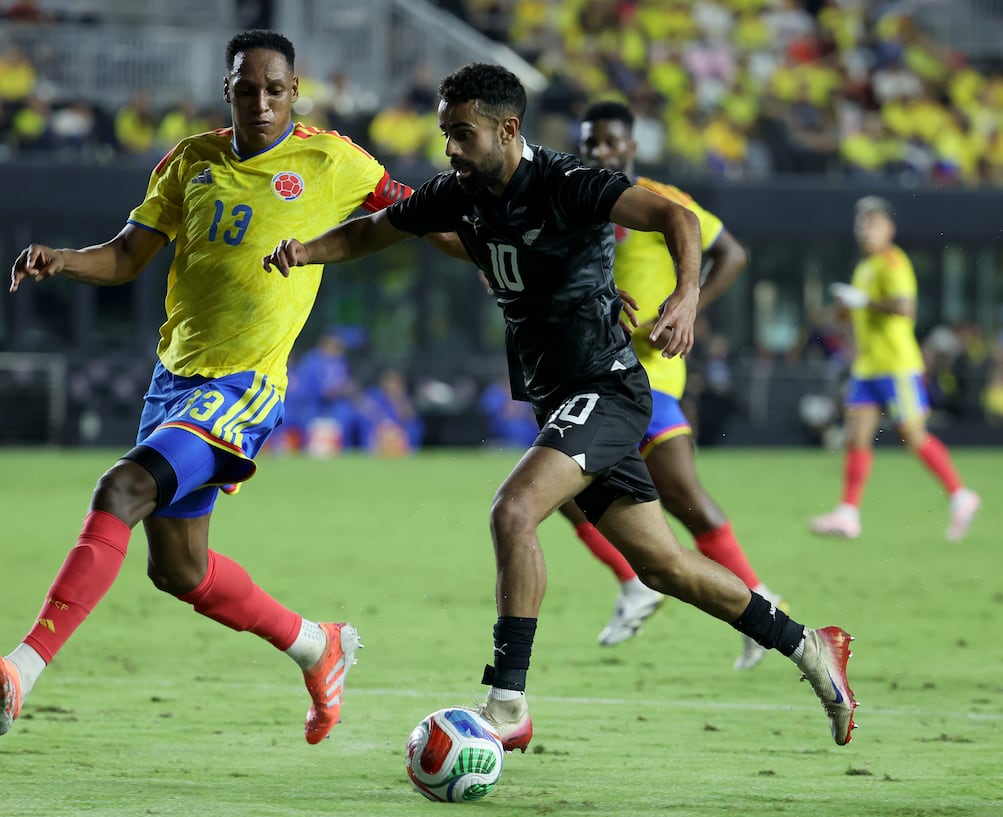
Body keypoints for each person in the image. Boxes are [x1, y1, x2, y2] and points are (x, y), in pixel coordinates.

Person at [263, 63, 858, 750]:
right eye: (445, 133)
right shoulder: (459, 194)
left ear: (507, 129)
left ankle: (507, 702)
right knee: (664, 567)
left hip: (606, 388)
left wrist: (687, 295)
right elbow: (375, 230)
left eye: (462, 133)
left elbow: (676, 217)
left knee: (513, 510)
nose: (450, 149)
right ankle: (810, 646)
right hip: (562, 396)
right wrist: (306, 251)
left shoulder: (568, 181)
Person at [0, 30, 428, 746]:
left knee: (121, 488)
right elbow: (127, 256)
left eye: (275, 90)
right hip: (173, 381)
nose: (262, 103)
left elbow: (417, 212)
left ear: (295, 92)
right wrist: (64, 259)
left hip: (245, 384)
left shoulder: (333, 159)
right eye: (248, 89)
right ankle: (317, 645)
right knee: (179, 569)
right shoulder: (189, 161)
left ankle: (22, 672)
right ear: (227, 91)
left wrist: (490, 246)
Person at [563, 100, 786, 670]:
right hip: (596, 373)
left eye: (611, 142)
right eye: (591, 143)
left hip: (650, 375)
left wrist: (688, 306)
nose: (600, 152)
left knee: (684, 500)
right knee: (561, 492)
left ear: (632, 147)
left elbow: (731, 253)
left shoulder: (660, 201)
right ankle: (638, 583)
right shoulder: (573, 201)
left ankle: (762, 609)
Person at [810, 196, 980, 542]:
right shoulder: (865, 267)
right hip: (867, 366)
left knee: (912, 436)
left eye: (872, 222)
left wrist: (864, 301)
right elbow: (853, 317)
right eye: (861, 222)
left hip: (896, 365)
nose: (865, 229)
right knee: (856, 437)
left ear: (889, 228)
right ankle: (848, 513)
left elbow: (905, 308)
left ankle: (960, 495)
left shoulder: (893, 261)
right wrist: (842, 309)